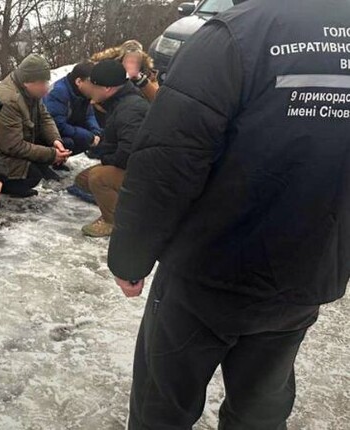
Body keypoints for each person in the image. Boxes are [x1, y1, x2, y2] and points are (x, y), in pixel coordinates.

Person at [107, 0, 350, 428]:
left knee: (163, 405)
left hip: (208, 273)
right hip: (305, 274)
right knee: (259, 410)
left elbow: (169, 156)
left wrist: (131, 253)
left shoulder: (237, 33)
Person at [72, 60, 149, 237]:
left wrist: (106, 159)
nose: (90, 89)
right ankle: (125, 204)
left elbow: (129, 155)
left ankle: (115, 222)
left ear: (106, 88)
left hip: (150, 175)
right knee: (83, 180)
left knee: (98, 178)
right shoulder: (120, 101)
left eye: (94, 85)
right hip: (139, 169)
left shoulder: (130, 109)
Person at [0, 54, 72, 198]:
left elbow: (45, 117)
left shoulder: (29, 90)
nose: (46, 88)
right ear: (27, 82)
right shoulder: (8, 99)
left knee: (66, 142)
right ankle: (3, 184)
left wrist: (56, 141)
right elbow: (12, 146)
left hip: (20, 142)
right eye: (42, 82)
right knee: (33, 175)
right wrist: (51, 155)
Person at [43, 62, 103, 155]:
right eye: (93, 85)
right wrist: (88, 136)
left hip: (71, 126)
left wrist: (96, 132)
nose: (96, 88)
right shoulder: (58, 92)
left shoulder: (85, 93)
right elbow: (58, 125)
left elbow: (89, 115)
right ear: (79, 81)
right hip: (51, 134)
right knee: (68, 142)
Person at [91, 40, 160, 104]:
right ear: (121, 60)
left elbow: (157, 100)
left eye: (137, 61)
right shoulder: (107, 71)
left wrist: (142, 81)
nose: (133, 65)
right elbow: (95, 98)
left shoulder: (148, 74)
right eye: (129, 61)